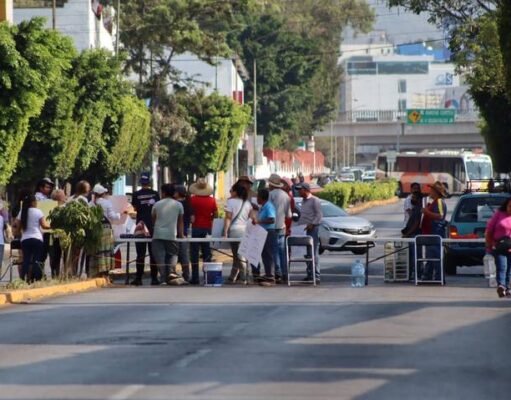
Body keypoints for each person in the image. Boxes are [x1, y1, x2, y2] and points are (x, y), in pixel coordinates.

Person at [151, 184, 187, 285]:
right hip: (172, 235)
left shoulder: (157, 204)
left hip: (158, 234)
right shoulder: (179, 205)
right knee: (172, 255)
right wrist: (181, 235)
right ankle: (171, 274)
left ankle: (163, 279)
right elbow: (180, 222)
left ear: (164, 192)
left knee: (160, 257)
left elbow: (153, 220)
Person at [89, 184, 125, 279]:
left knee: (97, 251)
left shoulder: (90, 204)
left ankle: (97, 273)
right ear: (102, 193)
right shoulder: (107, 203)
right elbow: (112, 216)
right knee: (106, 251)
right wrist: (120, 214)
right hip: (106, 229)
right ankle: (105, 273)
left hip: (95, 229)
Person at [130, 173, 160, 286]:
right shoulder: (155, 194)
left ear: (140, 183)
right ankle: (154, 278)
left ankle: (138, 278)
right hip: (153, 225)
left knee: (140, 254)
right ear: (150, 182)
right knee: (153, 253)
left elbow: (135, 208)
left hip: (140, 226)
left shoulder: (136, 194)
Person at [13, 195, 50, 282]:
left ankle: (25, 279)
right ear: (33, 202)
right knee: (36, 260)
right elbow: (44, 225)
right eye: (36, 201)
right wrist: (53, 226)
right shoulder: (38, 212)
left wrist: (17, 232)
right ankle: (37, 279)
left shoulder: (22, 212)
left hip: (25, 240)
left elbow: (17, 226)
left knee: (26, 259)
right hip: (37, 239)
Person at [189, 178, 218, 285]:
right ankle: (208, 277)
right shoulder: (212, 200)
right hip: (207, 228)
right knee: (207, 253)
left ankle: (195, 278)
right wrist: (209, 219)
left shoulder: (192, 199)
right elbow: (216, 214)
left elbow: (190, 213)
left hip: (196, 228)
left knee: (194, 253)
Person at [223, 183, 253, 283]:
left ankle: (244, 276)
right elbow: (250, 218)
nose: (230, 192)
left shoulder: (230, 202)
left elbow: (228, 218)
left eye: (232, 190)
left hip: (235, 231)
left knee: (238, 255)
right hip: (245, 230)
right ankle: (233, 277)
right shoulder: (247, 203)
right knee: (242, 254)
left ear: (236, 192)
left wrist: (225, 232)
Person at [420, 181, 448, 281]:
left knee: (436, 256)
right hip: (431, 233)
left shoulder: (439, 201)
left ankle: (438, 278)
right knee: (430, 256)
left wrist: (426, 211)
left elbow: (440, 216)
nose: (430, 192)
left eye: (431, 190)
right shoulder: (434, 202)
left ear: (436, 192)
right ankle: (428, 276)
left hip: (436, 232)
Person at [295, 182, 323, 283]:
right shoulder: (303, 201)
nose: (298, 192)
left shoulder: (314, 200)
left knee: (313, 252)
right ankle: (310, 274)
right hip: (303, 229)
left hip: (312, 229)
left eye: (300, 190)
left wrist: (312, 224)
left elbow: (319, 215)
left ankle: (317, 275)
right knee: (306, 253)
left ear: (306, 190)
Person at [485, 197, 511, 298]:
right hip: (498, 246)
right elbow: (489, 229)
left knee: (509, 268)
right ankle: (501, 286)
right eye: (509, 206)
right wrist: (489, 244)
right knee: (502, 266)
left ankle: (508, 288)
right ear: (506, 205)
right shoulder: (499, 214)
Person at [268, 174, 291, 283]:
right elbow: (289, 215)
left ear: (271, 184)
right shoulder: (286, 196)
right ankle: (285, 273)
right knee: (282, 251)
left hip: (272, 227)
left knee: (274, 251)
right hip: (282, 226)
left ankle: (277, 273)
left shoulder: (270, 195)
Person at [253, 188, 278, 286]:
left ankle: (271, 277)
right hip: (263, 232)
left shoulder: (269, 206)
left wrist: (259, 221)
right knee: (264, 255)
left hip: (269, 232)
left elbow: (272, 219)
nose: (256, 199)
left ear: (261, 197)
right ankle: (268, 275)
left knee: (268, 255)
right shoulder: (263, 207)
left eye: (257, 197)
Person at [174, 185, 192, 283]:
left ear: (178, 193)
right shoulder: (188, 204)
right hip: (185, 233)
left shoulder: (174, 204)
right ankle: (186, 276)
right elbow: (192, 219)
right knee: (184, 256)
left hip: (175, 232)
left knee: (173, 256)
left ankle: (172, 275)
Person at [49, 189, 67, 278]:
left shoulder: (50, 208)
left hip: (54, 236)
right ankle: (63, 275)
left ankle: (55, 275)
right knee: (61, 256)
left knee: (55, 257)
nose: (66, 197)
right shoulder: (65, 208)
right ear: (60, 197)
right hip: (62, 236)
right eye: (64, 195)